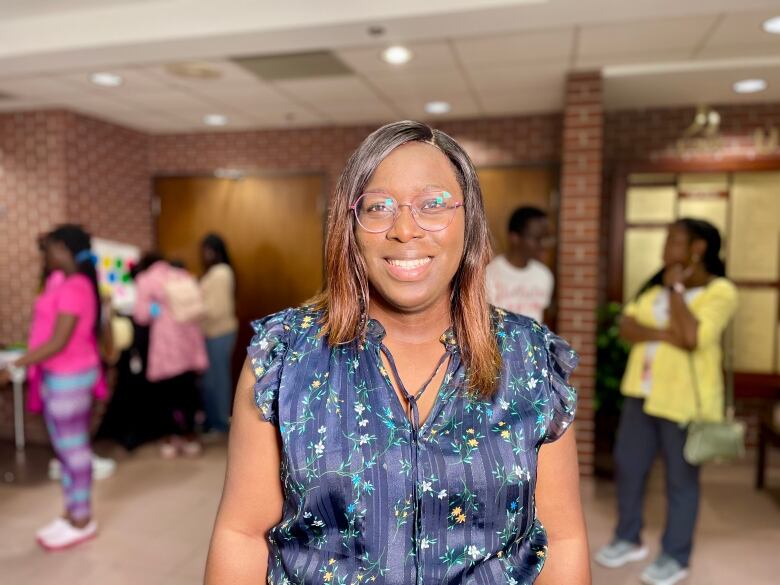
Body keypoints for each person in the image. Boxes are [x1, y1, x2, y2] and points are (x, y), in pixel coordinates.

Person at [205, 121, 590, 584]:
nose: (405, 229)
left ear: (469, 221)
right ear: (351, 225)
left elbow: (562, 538)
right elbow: (242, 532)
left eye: (432, 204)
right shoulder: (285, 355)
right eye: (379, 206)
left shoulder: (528, 358)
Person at [595, 219, 738, 585]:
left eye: (673, 240)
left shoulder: (719, 291)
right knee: (628, 467)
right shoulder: (653, 288)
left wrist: (676, 289)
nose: (664, 247)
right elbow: (626, 327)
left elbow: (691, 337)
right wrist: (664, 332)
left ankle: (676, 556)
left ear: (698, 248)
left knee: (680, 480)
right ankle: (628, 538)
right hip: (639, 394)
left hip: (683, 403)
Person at [0, 225, 106, 550]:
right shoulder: (64, 281)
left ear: (62, 248)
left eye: (48, 249)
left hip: (70, 377)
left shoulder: (76, 286)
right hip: (60, 376)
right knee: (65, 451)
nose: (44, 256)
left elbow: (58, 341)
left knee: (74, 453)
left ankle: (83, 519)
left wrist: (15, 364)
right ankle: (71, 513)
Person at [133, 254, 209, 458]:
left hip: (166, 345)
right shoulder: (181, 274)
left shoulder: (146, 280)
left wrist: (157, 309)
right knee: (189, 391)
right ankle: (190, 437)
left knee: (166, 395)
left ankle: (170, 438)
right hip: (189, 342)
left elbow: (141, 314)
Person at [486, 206, 554, 324]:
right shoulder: (489, 274)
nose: (543, 244)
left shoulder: (544, 275)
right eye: (537, 238)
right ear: (514, 238)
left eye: (545, 238)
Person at [199, 233, 238, 434]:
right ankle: (214, 420)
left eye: (209, 250)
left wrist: (194, 311)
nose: (205, 254)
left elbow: (218, 308)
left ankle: (221, 422)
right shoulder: (215, 272)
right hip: (212, 333)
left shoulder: (221, 272)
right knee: (211, 380)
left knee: (218, 379)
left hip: (219, 333)